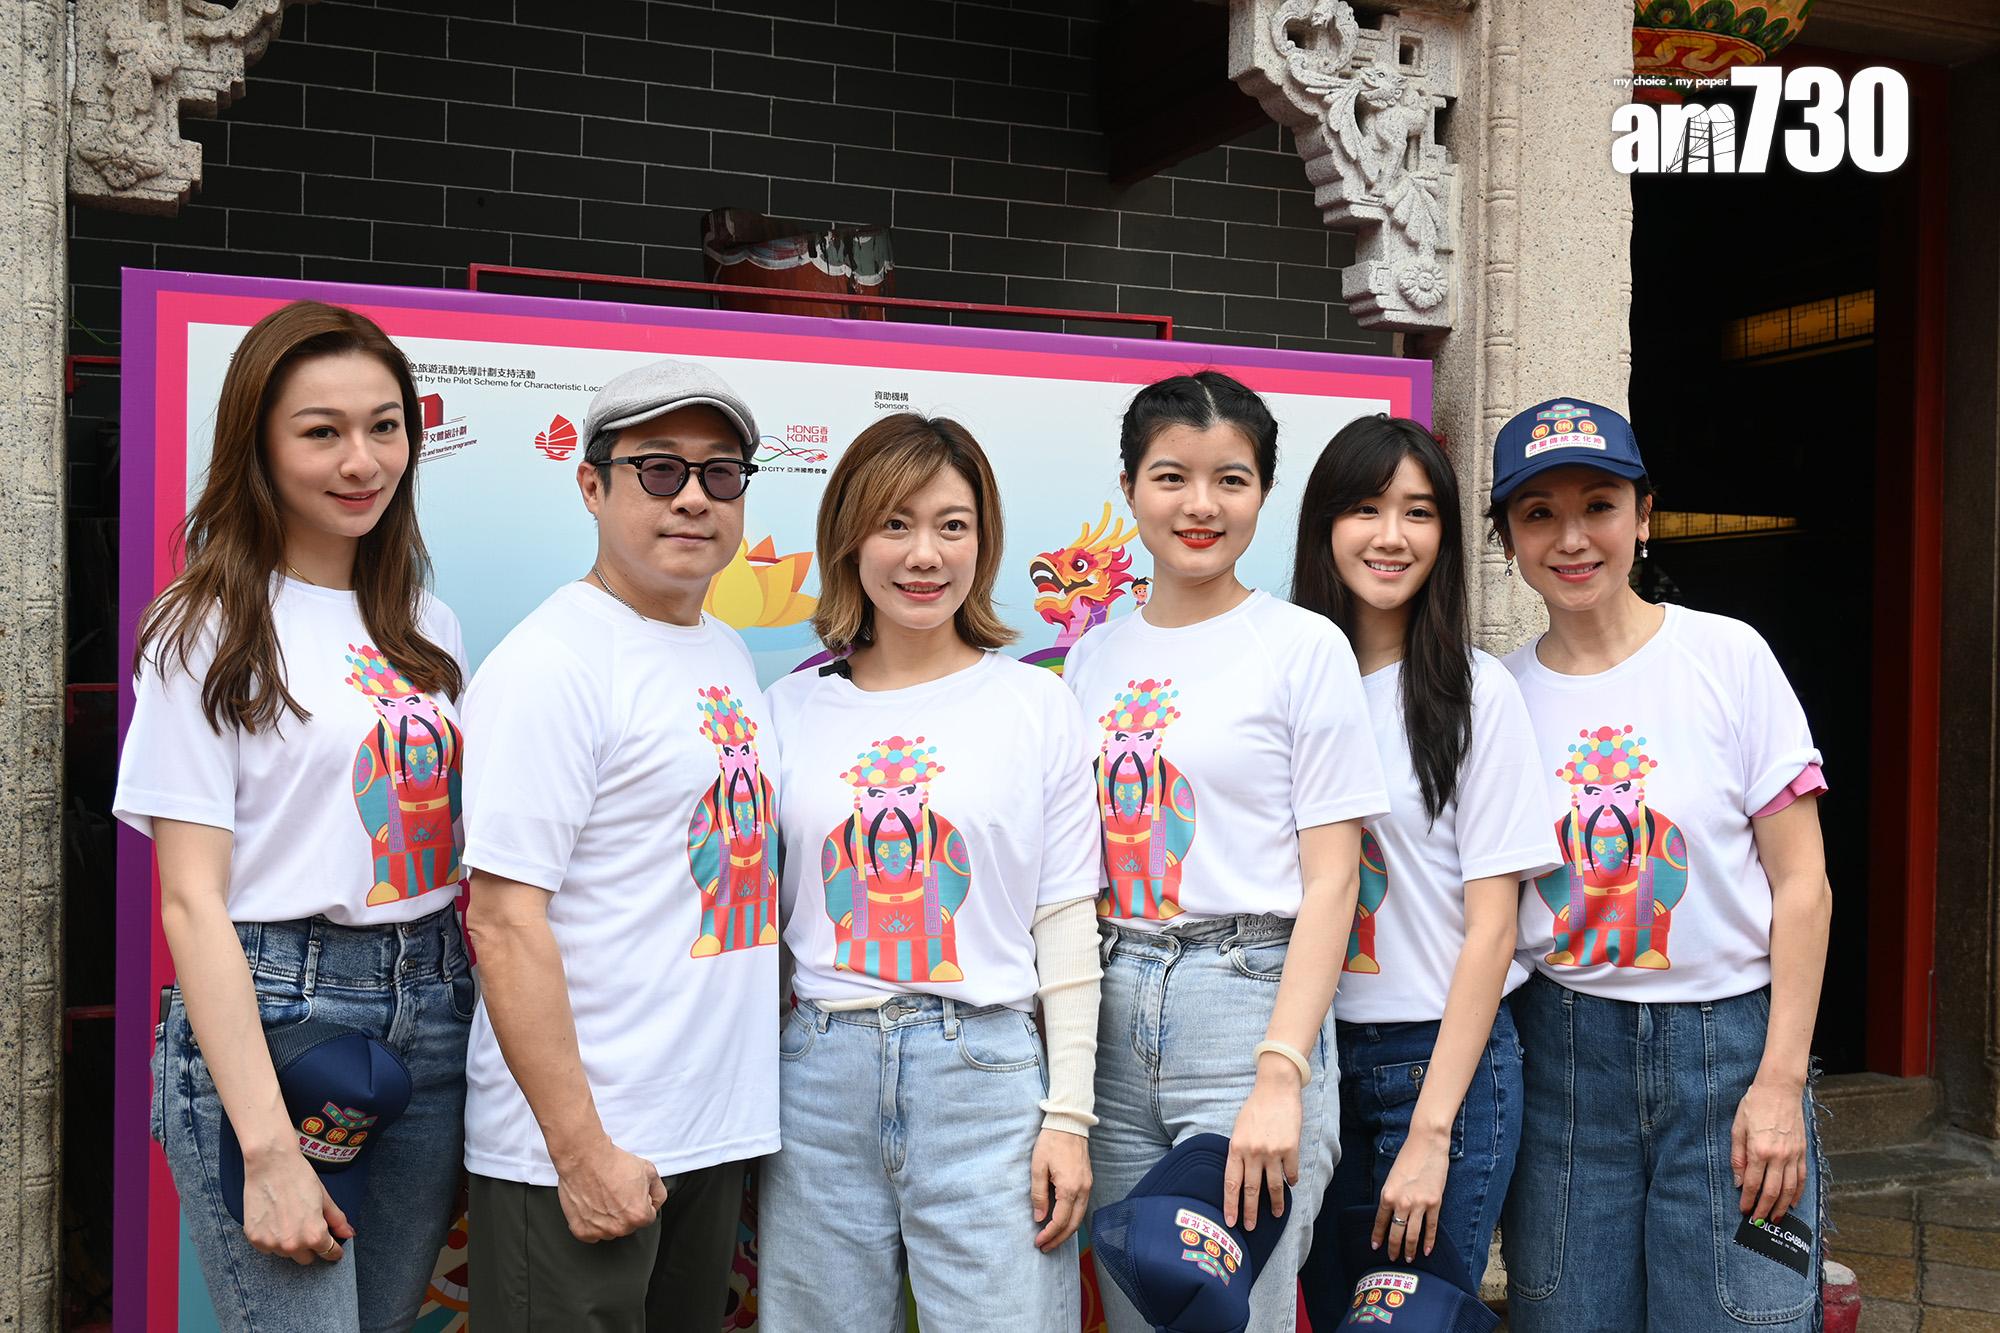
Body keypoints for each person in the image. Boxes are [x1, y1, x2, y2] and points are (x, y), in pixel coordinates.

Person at [116, 300, 474, 1332]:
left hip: (434, 1001)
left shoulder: (426, 623)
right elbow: (191, 901)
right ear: (260, 447)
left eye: (384, 426)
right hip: (278, 1015)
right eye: (322, 431)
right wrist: (267, 1144)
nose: (362, 460)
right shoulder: (205, 626)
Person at [1488, 397, 1832, 1332]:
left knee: (1746, 1317)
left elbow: (1803, 884)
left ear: (1644, 516)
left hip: (1731, 1056)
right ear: (1508, 539)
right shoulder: (1497, 697)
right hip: (1563, 1062)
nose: (1572, 538)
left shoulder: (1728, 656)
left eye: (1599, 506)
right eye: (1539, 514)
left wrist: (1781, 1083)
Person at [756, 413, 1104, 1331]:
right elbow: (759, 925)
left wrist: (1068, 1115)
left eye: (953, 525)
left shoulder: (1036, 705)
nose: (924, 554)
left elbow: (1067, 917)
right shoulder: (785, 710)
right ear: (849, 537)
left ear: (984, 542)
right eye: (895, 523)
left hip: (986, 1077)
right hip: (817, 1077)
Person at [1065, 371, 1390, 1333]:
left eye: (1231, 479)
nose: (1200, 504)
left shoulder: (1303, 647)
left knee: (1234, 1316)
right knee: (1139, 1312)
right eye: (1172, 476)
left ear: (1264, 492)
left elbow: (1334, 878)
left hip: (1247, 1002)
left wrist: (1281, 1073)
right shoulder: (1090, 657)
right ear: (1130, 487)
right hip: (1112, 1002)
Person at [458, 360, 779, 1332]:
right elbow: (502, 920)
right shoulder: (553, 662)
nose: (693, 497)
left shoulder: (724, 649)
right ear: (592, 486)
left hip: (704, 1134)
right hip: (578, 1153)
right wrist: (579, 1149)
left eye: (719, 473)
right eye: (659, 469)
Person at [1287, 416, 1553, 1326]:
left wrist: (1434, 1130)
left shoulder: (1476, 691)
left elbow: (1495, 926)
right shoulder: (1289, 682)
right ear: (1325, 524)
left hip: (1439, 1066)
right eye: (1366, 508)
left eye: (1419, 511)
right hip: (1312, 1060)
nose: (1391, 535)